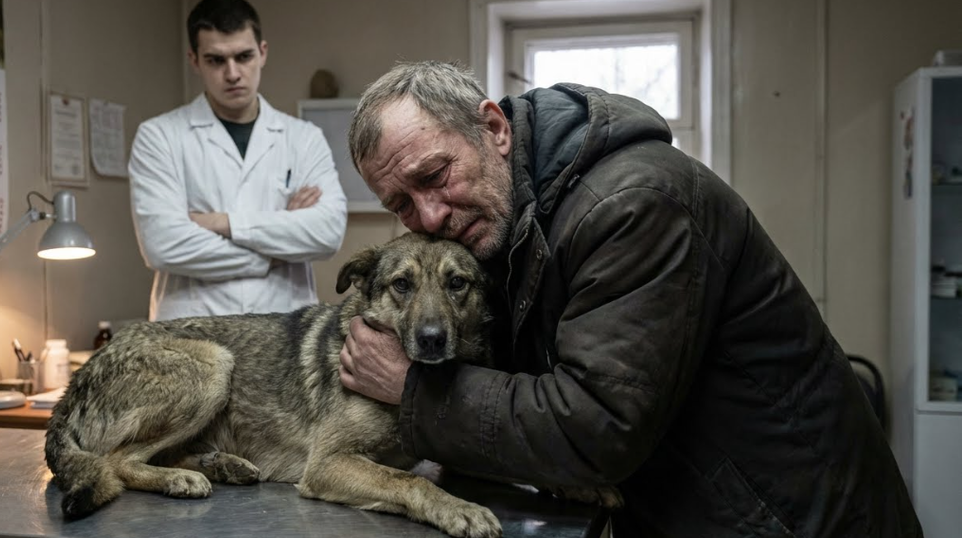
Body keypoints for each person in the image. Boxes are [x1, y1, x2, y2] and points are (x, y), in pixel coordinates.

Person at [339, 61, 921, 537]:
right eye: (401, 205)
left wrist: (411, 390)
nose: (428, 216)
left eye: (435, 175)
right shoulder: (506, 225)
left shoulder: (632, 204)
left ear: (494, 129)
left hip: (792, 520)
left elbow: (597, 427)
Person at [128, 0, 346, 321]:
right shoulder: (159, 137)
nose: (232, 74)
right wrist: (275, 251)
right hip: (191, 332)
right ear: (194, 60)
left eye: (243, 57)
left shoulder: (303, 138)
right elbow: (164, 245)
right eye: (216, 60)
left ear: (263, 52)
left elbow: (327, 233)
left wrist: (222, 223)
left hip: (283, 330)